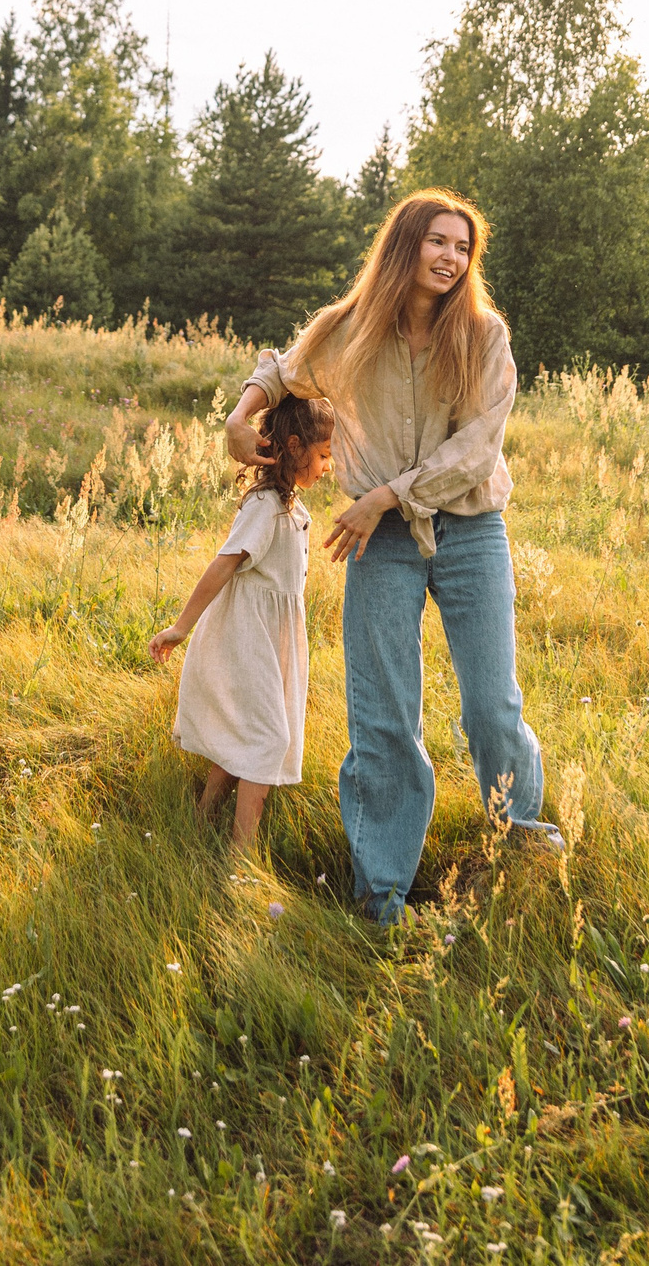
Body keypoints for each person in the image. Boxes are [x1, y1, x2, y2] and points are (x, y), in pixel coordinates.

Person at [226, 189, 557, 924]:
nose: (450, 258)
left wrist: (384, 498)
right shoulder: (348, 330)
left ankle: (525, 847)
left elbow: (475, 451)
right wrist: (238, 414)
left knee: (491, 708)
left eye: (463, 247)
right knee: (382, 717)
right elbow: (281, 370)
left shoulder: (484, 335)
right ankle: (382, 894)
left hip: (469, 532)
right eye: (438, 242)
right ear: (405, 246)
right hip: (381, 546)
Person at [149, 393, 335, 846]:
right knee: (269, 740)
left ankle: (200, 819)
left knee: (249, 736)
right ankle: (241, 854)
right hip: (247, 640)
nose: (328, 467)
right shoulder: (266, 506)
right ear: (294, 446)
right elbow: (224, 563)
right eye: (324, 455)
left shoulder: (294, 508)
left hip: (272, 643)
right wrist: (180, 627)